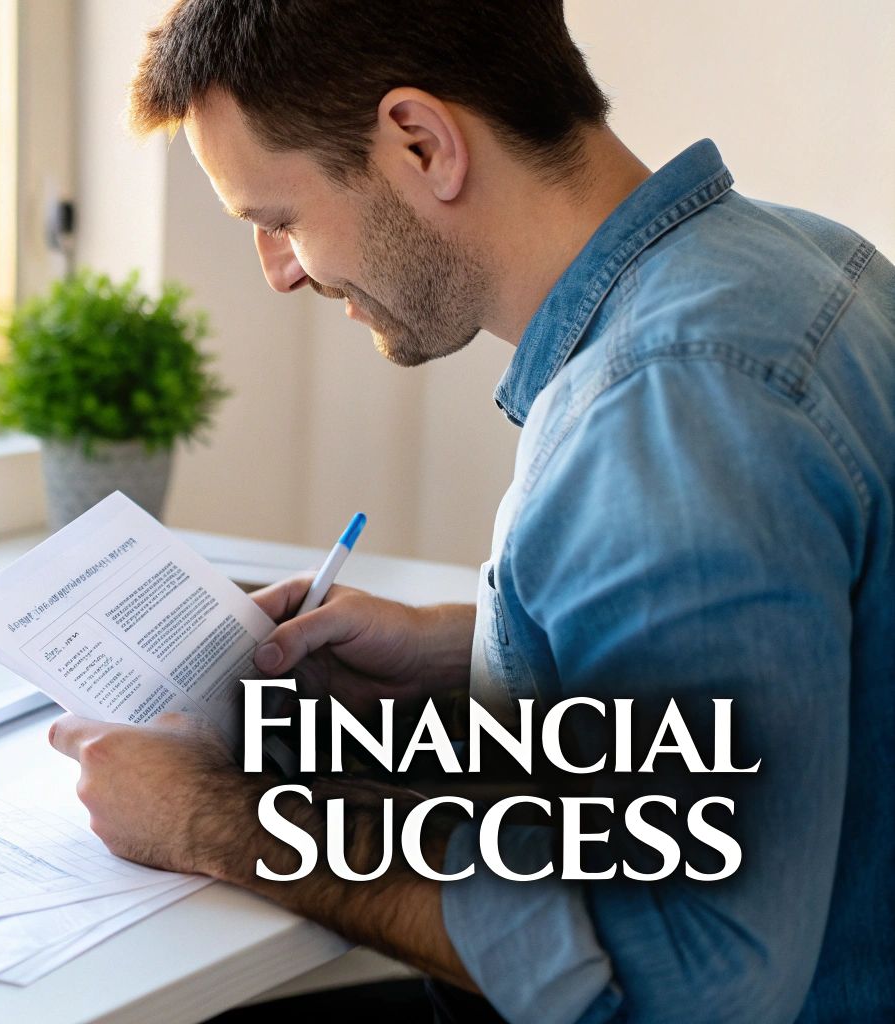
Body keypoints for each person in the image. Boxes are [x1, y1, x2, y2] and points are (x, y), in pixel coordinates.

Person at [45, 2, 895, 1021]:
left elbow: (665, 988)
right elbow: (799, 669)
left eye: (278, 220)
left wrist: (212, 817)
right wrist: (471, 650)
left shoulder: (662, 404)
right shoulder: (799, 263)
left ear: (419, 143)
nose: (279, 273)